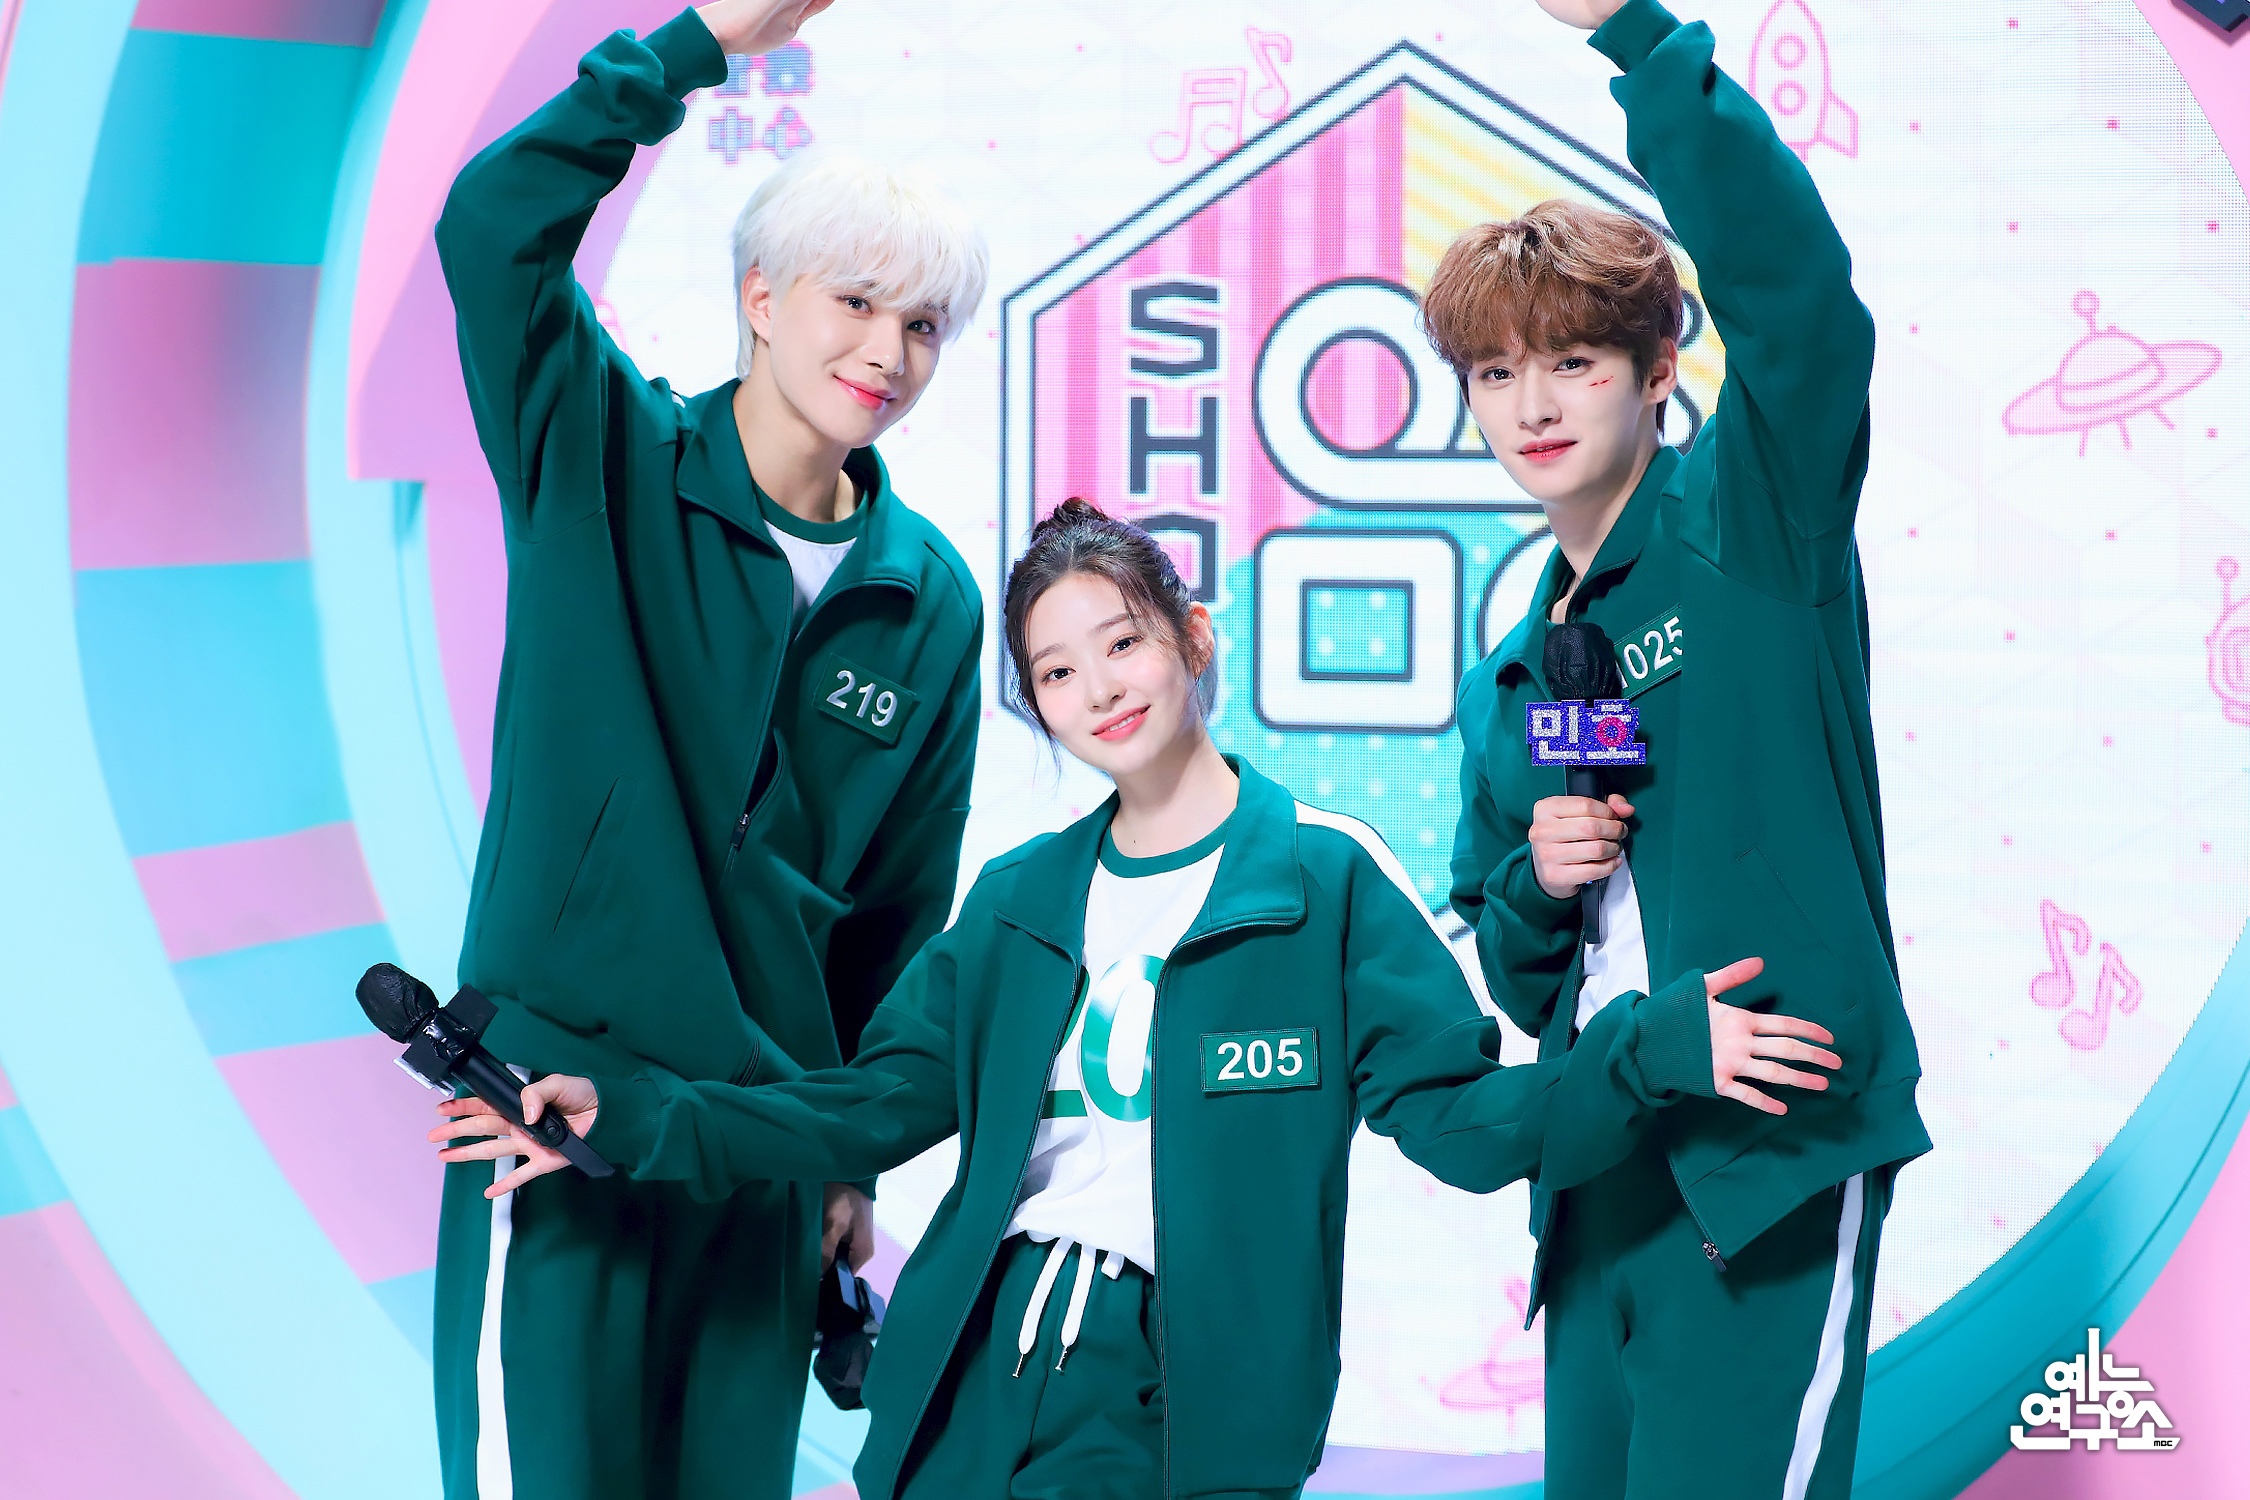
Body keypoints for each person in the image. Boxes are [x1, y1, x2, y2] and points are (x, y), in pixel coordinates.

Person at [432, 501, 1841, 1500]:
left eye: (1119, 643)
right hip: (959, 1390)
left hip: (1172, 1407)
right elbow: (863, 1106)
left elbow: (1470, 1128)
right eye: (1055, 671)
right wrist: (633, 1116)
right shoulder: (1018, 899)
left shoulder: (1322, 879)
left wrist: (1650, 1049)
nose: (1097, 688)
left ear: (1191, 636)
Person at [427, 0, 988, 1495]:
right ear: (759, 296)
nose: (886, 351)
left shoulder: (928, 598)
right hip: (549, 1118)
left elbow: (896, 916)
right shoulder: (601, 452)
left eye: (922, 326)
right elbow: (491, 225)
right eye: (854, 301)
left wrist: (842, 1155)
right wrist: (693, 46)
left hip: (754, 1157)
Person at [1429, 1, 1932, 1496]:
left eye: (1573, 361)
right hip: (1597, 1174)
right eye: (1495, 374)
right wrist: (1539, 880)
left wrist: (1638, 37)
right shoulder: (1523, 663)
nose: (1531, 405)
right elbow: (1514, 966)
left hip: (1766, 1152)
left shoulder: (1746, 523)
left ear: (1657, 369)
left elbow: (1802, 305)